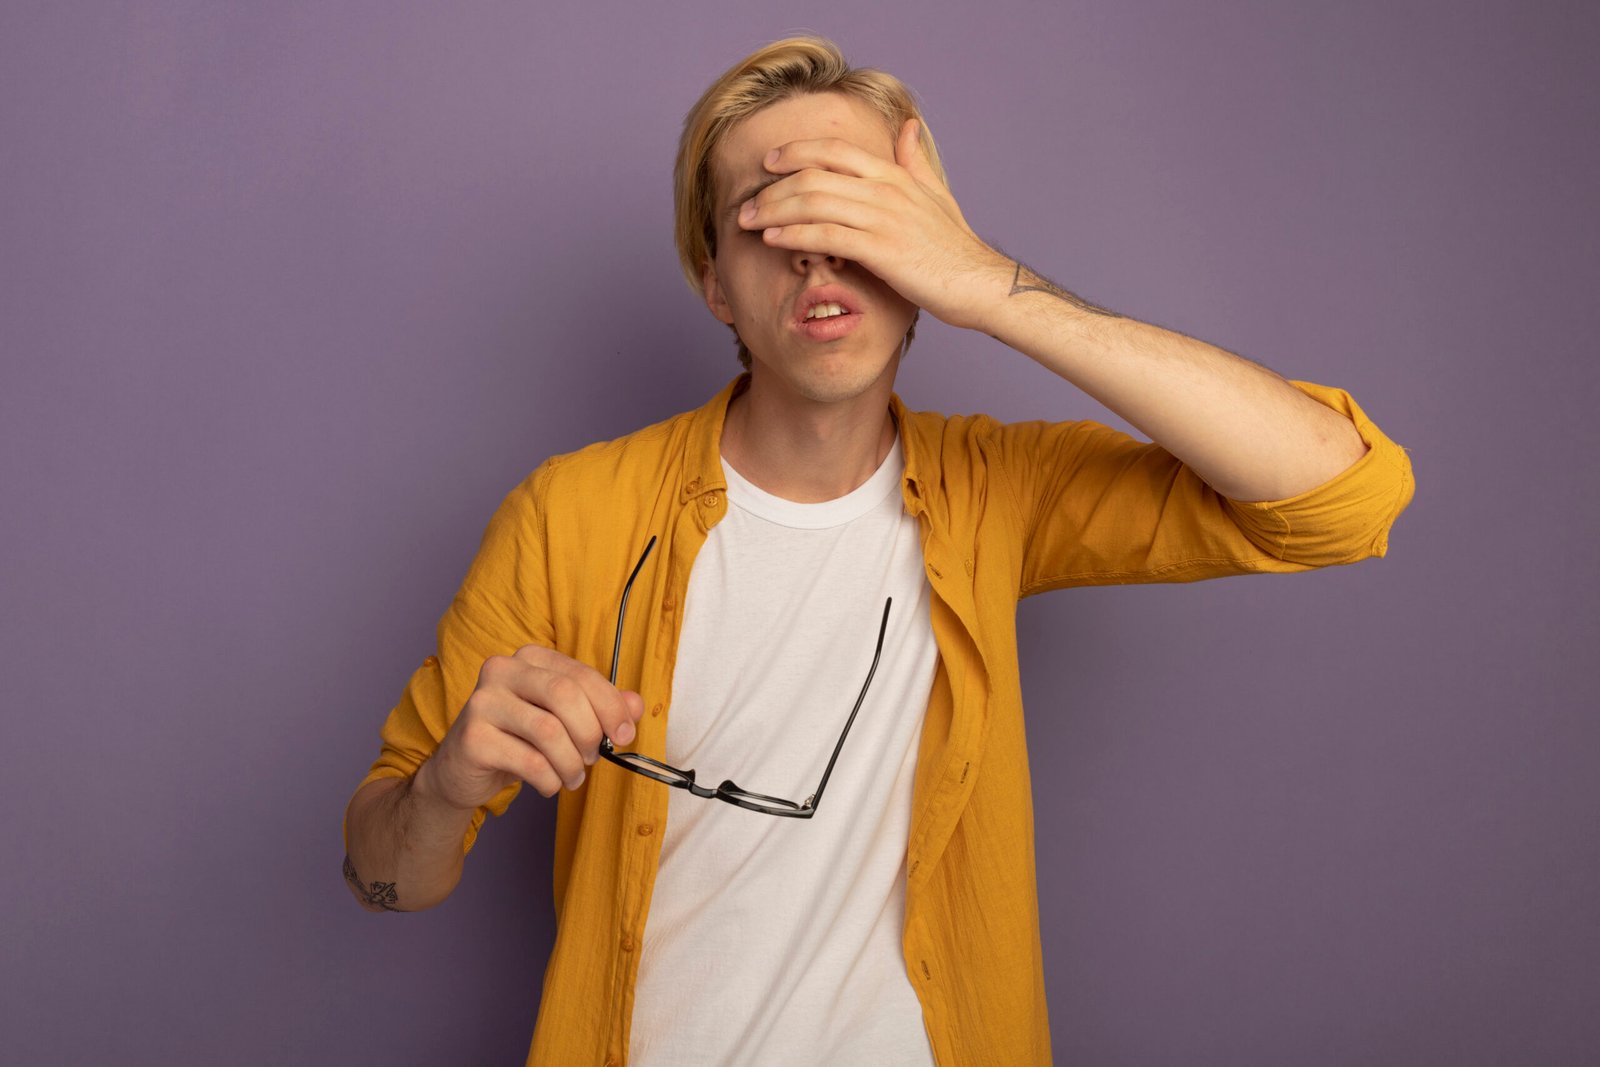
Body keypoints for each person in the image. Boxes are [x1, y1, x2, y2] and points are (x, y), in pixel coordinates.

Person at [341, 35, 1414, 1067]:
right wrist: (443, 784)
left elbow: (1338, 495)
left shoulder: (999, 491)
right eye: (767, 214)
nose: (815, 247)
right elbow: (382, 873)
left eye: (855, 205)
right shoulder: (567, 514)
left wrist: (987, 280)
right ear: (713, 281)